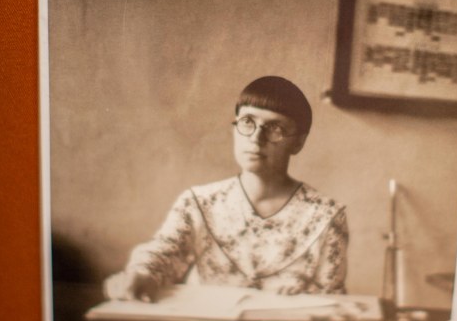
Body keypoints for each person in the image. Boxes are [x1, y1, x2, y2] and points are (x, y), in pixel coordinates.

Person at [104, 76, 348, 300]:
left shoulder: (326, 215)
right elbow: (163, 253)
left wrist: (306, 295)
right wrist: (142, 274)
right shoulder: (199, 202)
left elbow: (332, 301)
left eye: (275, 128)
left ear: (298, 142)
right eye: (247, 122)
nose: (256, 137)